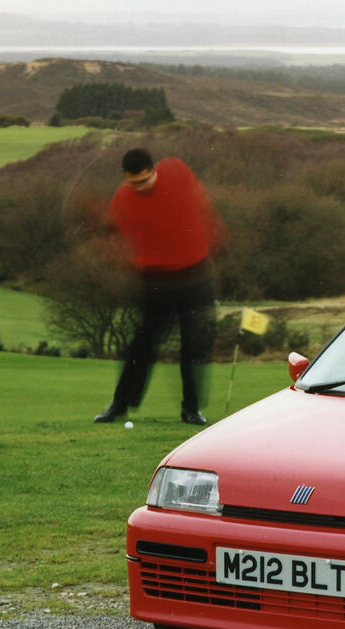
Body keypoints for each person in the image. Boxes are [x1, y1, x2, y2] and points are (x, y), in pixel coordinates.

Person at [94, 148, 224, 426]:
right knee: (141, 345)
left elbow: (202, 208)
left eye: (144, 181)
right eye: (133, 183)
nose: (139, 188)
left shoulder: (176, 171)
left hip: (194, 274)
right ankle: (119, 405)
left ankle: (191, 409)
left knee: (193, 344)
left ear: (154, 171)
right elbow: (116, 233)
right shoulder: (123, 198)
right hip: (154, 279)